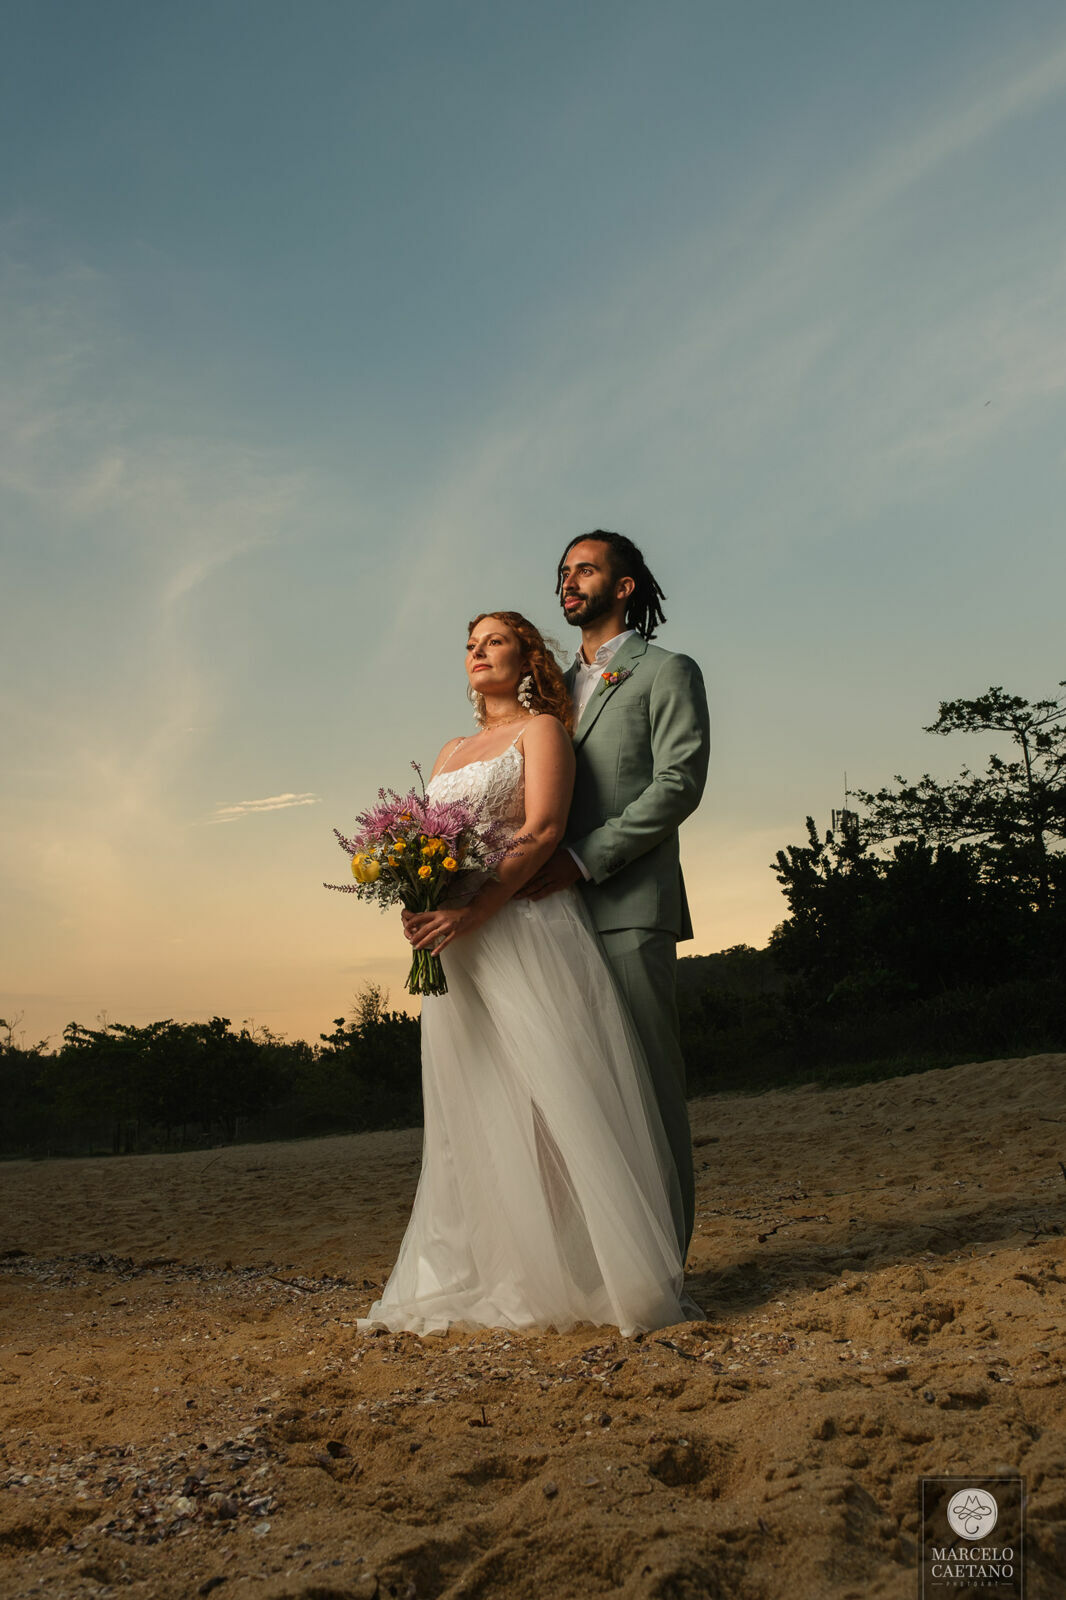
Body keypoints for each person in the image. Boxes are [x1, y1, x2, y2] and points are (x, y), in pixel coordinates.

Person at [358, 611, 698, 1337]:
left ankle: (587, 1274)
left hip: (523, 932)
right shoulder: (450, 749)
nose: (479, 654)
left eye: (496, 642)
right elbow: (430, 844)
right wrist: (421, 902)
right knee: (473, 1102)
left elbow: (542, 832)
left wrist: (473, 909)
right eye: (471, 645)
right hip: (456, 947)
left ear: (528, 658)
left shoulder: (541, 732)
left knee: (555, 1100)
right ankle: (501, 1267)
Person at [518, 532, 710, 1260]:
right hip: (547, 920)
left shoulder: (667, 672)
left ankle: (664, 1268)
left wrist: (583, 859)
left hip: (628, 909)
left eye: (586, 569)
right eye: (563, 571)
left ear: (625, 586)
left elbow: (678, 785)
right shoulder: (548, 693)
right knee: (575, 1095)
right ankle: (592, 1268)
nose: (569, 581)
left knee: (650, 1094)